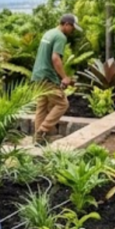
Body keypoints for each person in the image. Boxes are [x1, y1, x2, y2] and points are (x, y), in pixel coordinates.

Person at [31, 13, 82, 143]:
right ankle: (42, 131)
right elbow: (55, 58)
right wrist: (64, 77)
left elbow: (46, 57)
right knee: (62, 104)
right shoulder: (60, 37)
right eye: (72, 27)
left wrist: (58, 79)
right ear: (66, 24)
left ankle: (38, 140)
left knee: (42, 106)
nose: (73, 30)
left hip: (38, 74)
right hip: (47, 76)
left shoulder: (49, 33)